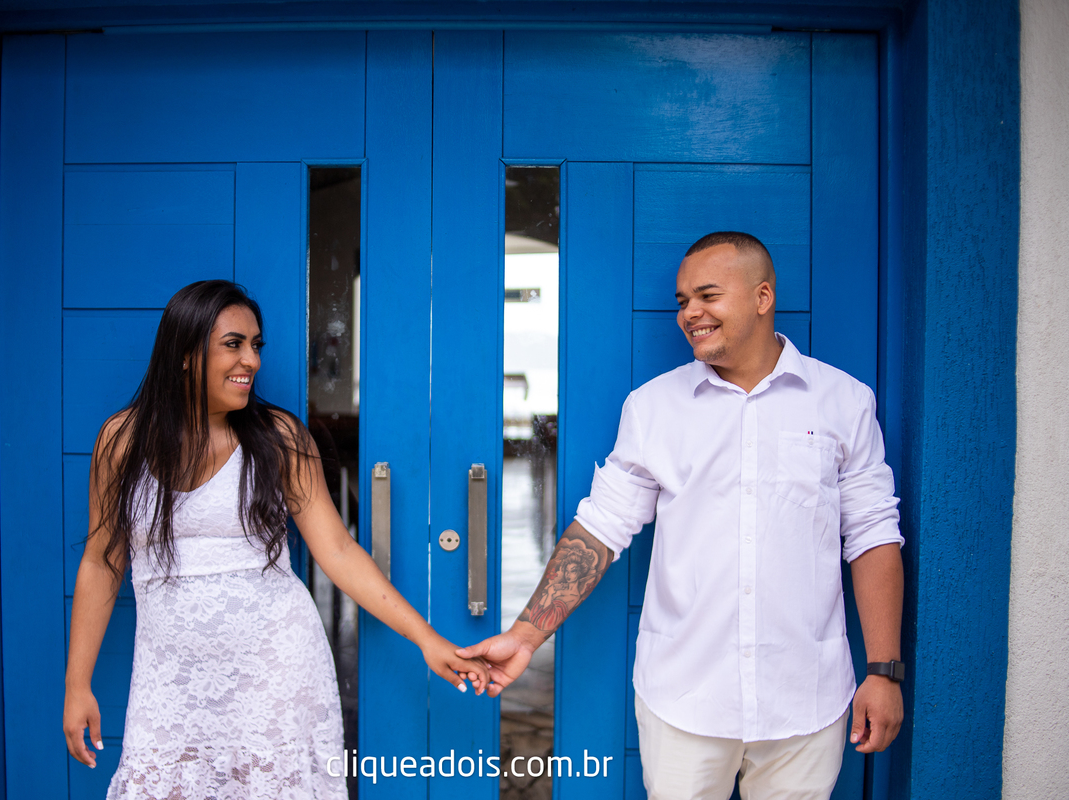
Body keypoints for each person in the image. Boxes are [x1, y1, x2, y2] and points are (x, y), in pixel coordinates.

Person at [460, 232, 905, 799]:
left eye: (708, 295)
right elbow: (601, 527)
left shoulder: (844, 402)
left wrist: (883, 671)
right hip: (684, 700)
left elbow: (871, 535)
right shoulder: (652, 408)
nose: (690, 313)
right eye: (681, 301)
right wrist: (525, 636)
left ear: (763, 296)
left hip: (806, 698)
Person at [63, 280, 487, 799]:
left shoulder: (279, 438)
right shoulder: (121, 441)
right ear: (185, 354)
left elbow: (337, 550)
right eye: (233, 344)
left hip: (276, 672)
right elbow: (103, 563)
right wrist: (77, 684)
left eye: (256, 345)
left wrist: (427, 638)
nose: (252, 361)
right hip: (170, 681)